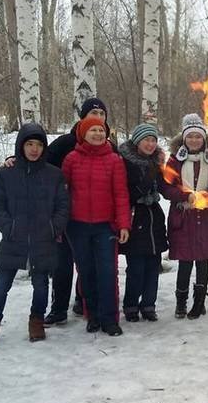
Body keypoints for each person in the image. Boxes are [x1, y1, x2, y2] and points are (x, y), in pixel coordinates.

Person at [0, 123, 69, 346]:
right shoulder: (6, 173)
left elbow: (63, 206)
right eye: (29, 144)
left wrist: (53, 228)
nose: (34, 149)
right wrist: (9, 227)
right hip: (13, 240)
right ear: (20, 146)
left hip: (43, 239)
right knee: (0, 285)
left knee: (41, 284)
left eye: (39, 145)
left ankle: (36, 321)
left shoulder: (54, 175)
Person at [44, 98, 113, 325]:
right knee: (62, 264)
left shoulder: (109, 145)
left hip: (97, 218)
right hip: (66, 216)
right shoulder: (65, 143)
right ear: (82, 117)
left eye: (102, 114)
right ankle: (58, 309)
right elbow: (38, 163)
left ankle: (82, 301)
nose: (98, 117)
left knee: (88, 264)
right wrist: (14, 159)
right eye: (93, 112)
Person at [63, 116, 130, 336]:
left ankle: (109, 319)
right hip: (77, 226)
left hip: (105, 227)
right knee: (86, 272)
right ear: (83, 133)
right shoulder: (71, 159)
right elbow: (63, 192)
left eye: (101, 131)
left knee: (107, 273)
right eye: (93, 130)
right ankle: (92, 315)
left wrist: (123, 225)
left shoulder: (114, 160)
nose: (98, 134)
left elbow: (121, 194)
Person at [162, 114, 208, 320]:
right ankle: (181, 302)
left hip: (206, 217)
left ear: (204, 139)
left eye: (198, 137)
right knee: (185, 261)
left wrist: (204, 198)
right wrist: (186, 196)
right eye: (191, 137)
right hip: (184, 216)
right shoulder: (174, 160)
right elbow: (166, 188)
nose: (194, 141)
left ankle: (199, 302)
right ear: (184, 139)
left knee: (203, 261)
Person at [118, 124, 168, 322]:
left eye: (153, 140)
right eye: (146, 140)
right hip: (135, 216)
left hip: (154, 217)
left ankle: (149, 304)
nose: (150, 144)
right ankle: (130, 305)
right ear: (137, 141)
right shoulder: (125, 162)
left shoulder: (157, 163)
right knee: (136, 268)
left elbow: (165, 187)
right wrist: (145, 183)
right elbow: (125, 193)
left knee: (153, 266)